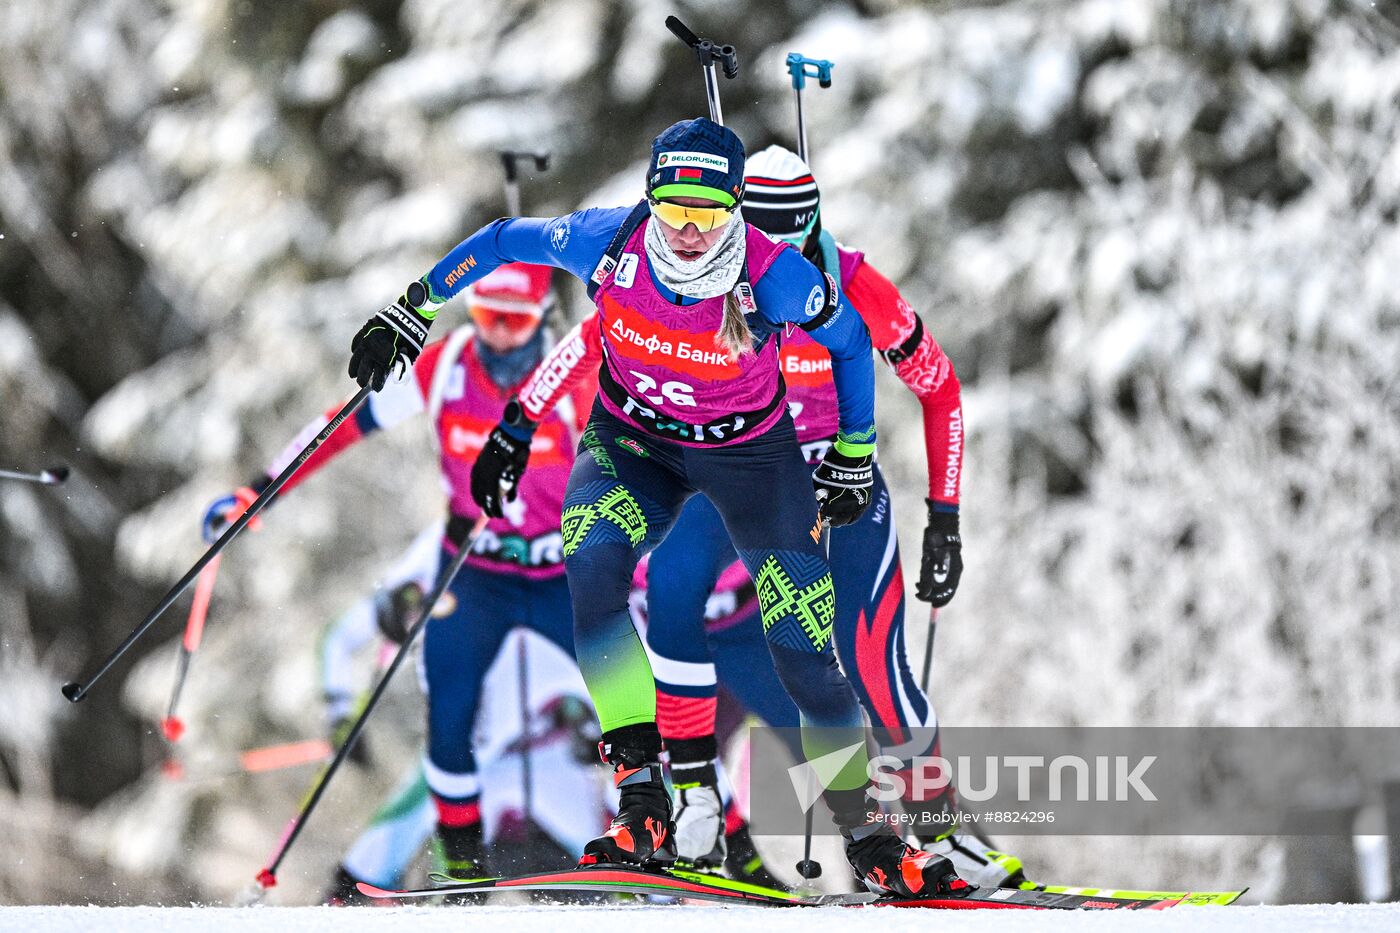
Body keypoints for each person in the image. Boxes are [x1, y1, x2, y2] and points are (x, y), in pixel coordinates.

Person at [345, 118, 969, 899]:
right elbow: (504, 239)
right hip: (634, 442)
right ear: (651, 200)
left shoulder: (776, 278)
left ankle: (871, 836)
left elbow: (848, 345)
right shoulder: (609, 242)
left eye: (709, 217)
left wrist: (853, 449)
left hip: (750, 456)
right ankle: (644, 798)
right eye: (674, 211)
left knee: (804, 648)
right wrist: (416, 305)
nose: (689, 233)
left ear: (736, 211)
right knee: (593, 557)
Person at [501, 144, 1026, 888]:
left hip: (835, 483)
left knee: (872, 660)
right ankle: (692, 805)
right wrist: (519, 420)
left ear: (816, 226)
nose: (778, 257)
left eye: (796, 240)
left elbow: (939, 388)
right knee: (675, 594)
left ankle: (941, 832)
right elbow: (597, 340)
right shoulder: (717, 270)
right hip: (739, 470)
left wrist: (946, 513)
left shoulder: (848, 283)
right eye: (763, 236)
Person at [206, 262, 595, 879]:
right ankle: (457, 867)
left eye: (514, 321)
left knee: (644, 701)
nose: (497, 334)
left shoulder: (578, 374)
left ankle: (679, 842)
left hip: (564, 574)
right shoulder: (445, 370)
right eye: (486, 315)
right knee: (449, 717)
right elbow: (338, 428)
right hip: (475, 567)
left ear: (542, 319)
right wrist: (258, 492)